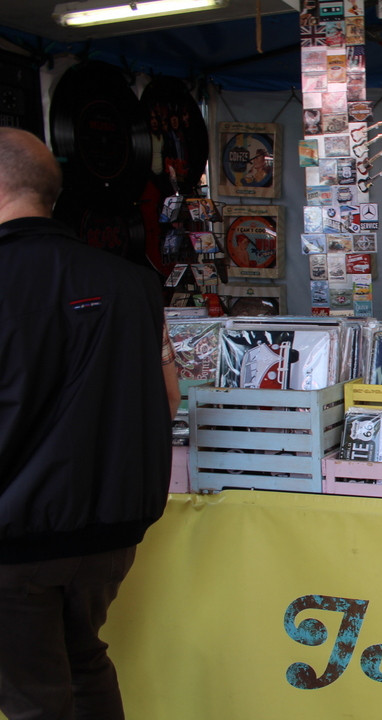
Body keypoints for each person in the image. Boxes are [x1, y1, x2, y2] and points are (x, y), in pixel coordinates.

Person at [0, 128, 180, 719]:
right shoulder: (133, 283)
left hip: (17, 536)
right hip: (111, 532)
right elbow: (167, 395)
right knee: (84, 664)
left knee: (33, 695)